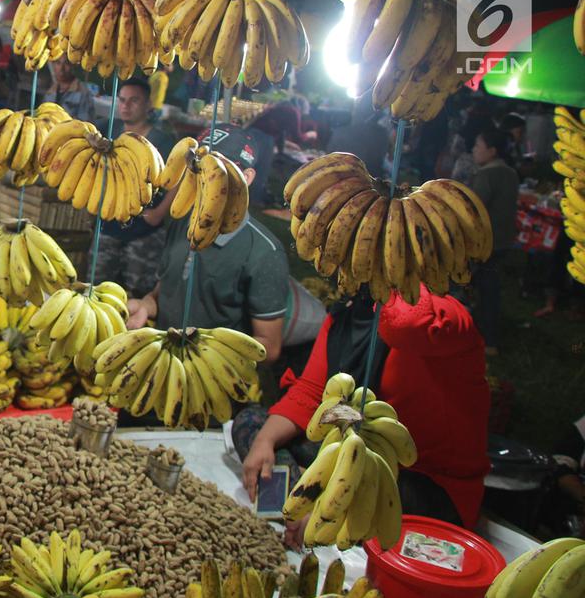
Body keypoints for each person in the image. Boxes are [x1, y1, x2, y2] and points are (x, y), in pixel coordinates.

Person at [238, 286, 491, 543]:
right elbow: (311, 391)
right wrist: (265, 442)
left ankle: (322, 510)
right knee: (252, 423)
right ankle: (302, 502)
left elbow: (407, 322)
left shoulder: (447, 321)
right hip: (348, 455)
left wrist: (395, 270)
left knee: (370, 493)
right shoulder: (346, 316)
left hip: (418, 485)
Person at [125, 126, 288, 366]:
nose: (205, 178)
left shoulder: (264, 252)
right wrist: (145, 306)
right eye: (199, 167)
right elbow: (163, 294)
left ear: (248, 177)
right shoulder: (182, 223)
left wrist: (206, 350)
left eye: (217, 169)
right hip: (162, 368)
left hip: (212, 383)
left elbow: (269, 347)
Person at [94, 78, 176, 295]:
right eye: (122, 100)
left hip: (144, 232)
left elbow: (180, 178)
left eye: (134, 101)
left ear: (148, 104)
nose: (126, 106)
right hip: (108, 226)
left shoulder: (163, 140)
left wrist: (159, 212)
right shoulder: (106, 131)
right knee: (97, 288)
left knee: (137, 293)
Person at [466, 126, 520, 355]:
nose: (474, 150)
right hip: (505, 241)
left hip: (486, 243)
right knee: (490, 288)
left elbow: (472, 210)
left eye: (478, 146)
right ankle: (485, 333)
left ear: (492, 151)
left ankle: (486, 340)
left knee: (484, 289)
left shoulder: (486, 175)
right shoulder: (511, 173)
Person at [327, 96, 391, 178]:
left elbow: (329, 156)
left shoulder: (340, 132)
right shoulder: (383, 133)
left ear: (356, 111)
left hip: (341, 178)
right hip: (372, 180)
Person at [42, 57, 95, 122]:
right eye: (58, 63)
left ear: (73, 66)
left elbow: (86, 124)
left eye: (66, 63)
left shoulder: (83, 92)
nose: (61, 68)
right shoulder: (50, 91)